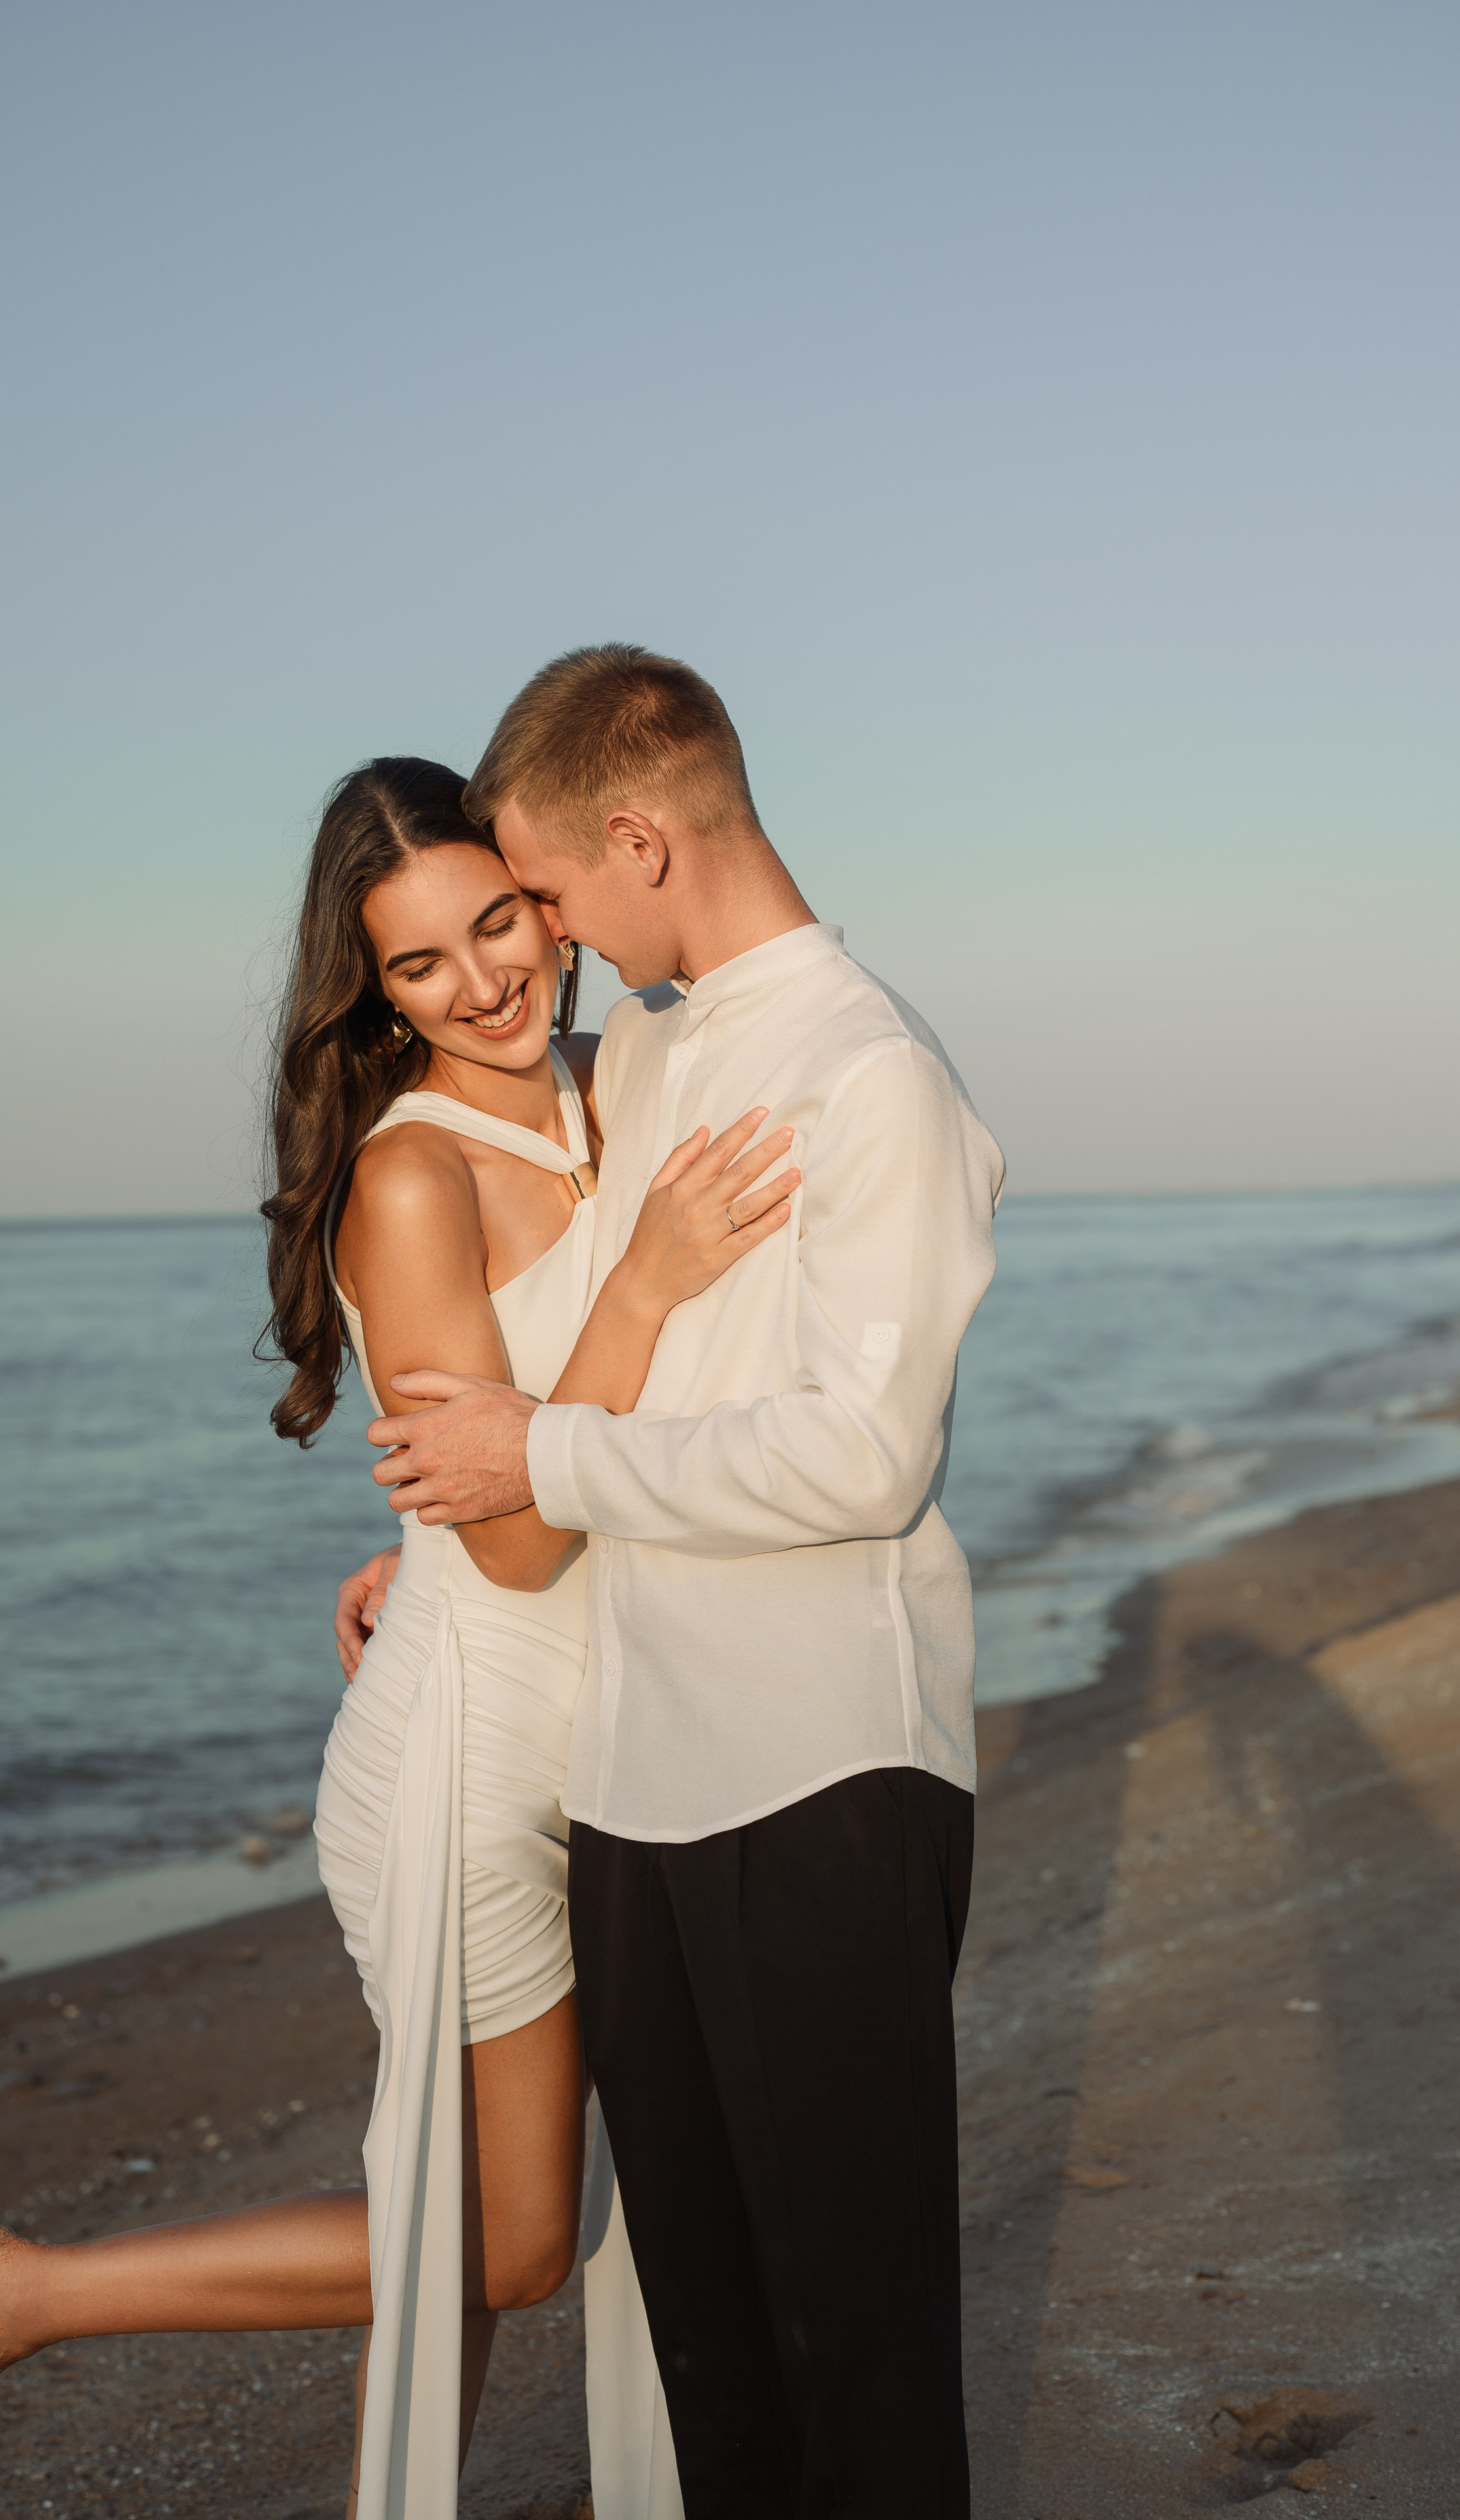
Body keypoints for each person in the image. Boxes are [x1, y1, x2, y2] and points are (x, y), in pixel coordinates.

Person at [0, 756, 799, 2520]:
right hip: (464, 1767)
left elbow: (539, 1434)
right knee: (510, 2240)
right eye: (417, 964)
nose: (482, 983)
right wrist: (646, 1283)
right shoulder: (413, 1177)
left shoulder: (610, 1086)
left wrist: (407, 1537)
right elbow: (518, 1537)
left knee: (461, 2224)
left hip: (605, 1742)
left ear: (549, 904)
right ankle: (35, 2291)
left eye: (496, 925)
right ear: (369, 994)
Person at [339, 650, 1005, 2520]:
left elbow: (862, 1455)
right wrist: (439, 1537)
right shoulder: (639, 1049)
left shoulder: (873, 1073)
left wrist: (533, 1464)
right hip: (627, 1784)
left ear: (638, 841)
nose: (535, 940)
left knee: (857, 2361)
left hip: (823, 1774)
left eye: (541, 895)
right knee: (708, 2363)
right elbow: (582, 1351)